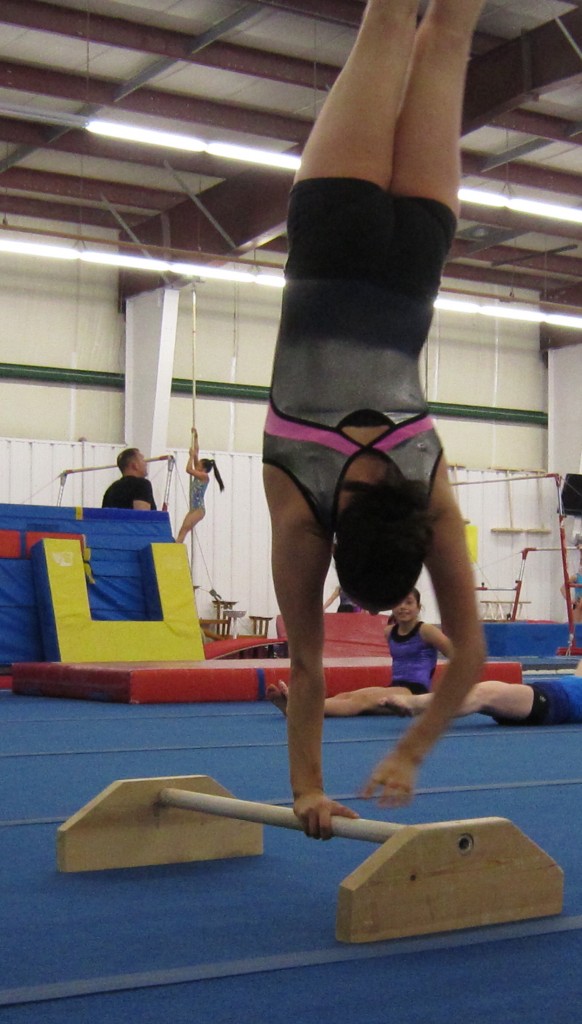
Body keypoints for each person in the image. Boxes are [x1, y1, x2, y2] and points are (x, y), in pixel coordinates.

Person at [262, 0, 486, 838]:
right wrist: (307, 793)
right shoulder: (299, 501)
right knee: (390, 18)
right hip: (331, 233)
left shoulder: (432, 489)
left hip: (416, 258)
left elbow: (468, 658)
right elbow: (308, 666)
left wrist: (413, 753)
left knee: (449, 32)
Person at [268, 589, 452, 716]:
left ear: (418, 607)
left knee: (361, 700)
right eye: (399, 602)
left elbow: (455, 655)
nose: (403, 607)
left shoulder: (426, 631)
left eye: (409, 602)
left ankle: (300, 709)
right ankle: (291, 709)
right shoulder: (389, 632)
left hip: (415, 694)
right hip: (396, 688)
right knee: (346, 695)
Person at [373, 661, 582, 727]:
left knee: (484, 693)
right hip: (547, 693)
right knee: (480, 697)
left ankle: (417, 704)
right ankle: (419, 704)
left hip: (555, 702)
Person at [176, 428, 224, 544]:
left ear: (203, 469)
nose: (196, 465)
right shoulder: (200, 473)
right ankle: (176, 546)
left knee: (185, 528)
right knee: (183, 529)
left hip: (199, 510)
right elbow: (196, 451)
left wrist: (191, 456)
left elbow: (188, 469)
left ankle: (177, 546)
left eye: (198, 465)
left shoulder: (204, 477)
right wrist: (196, 437)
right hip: (193, 509)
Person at [560, 545, 582, 625]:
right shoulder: (576, 576)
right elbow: (562, 588)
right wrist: (570, 601)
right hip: (578, 604)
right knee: (576, 626)